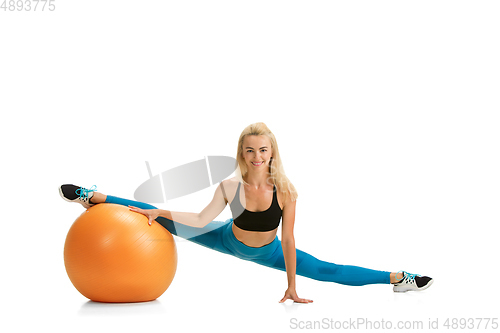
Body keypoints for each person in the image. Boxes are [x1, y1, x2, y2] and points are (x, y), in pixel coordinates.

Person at [59, 122, 433, 303]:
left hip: (268, 252)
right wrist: (164, 214)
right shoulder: (230, 187)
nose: (257, 157)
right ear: (243, 153)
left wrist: (290, 284)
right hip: (224, 238)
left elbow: (288, 239)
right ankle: (95, 196)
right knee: (156, 213)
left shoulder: (286, 191)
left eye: (263, 150)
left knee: (328, 271)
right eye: (250, 150)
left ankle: (399, 277)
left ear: (273, 153)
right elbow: (203, 220)